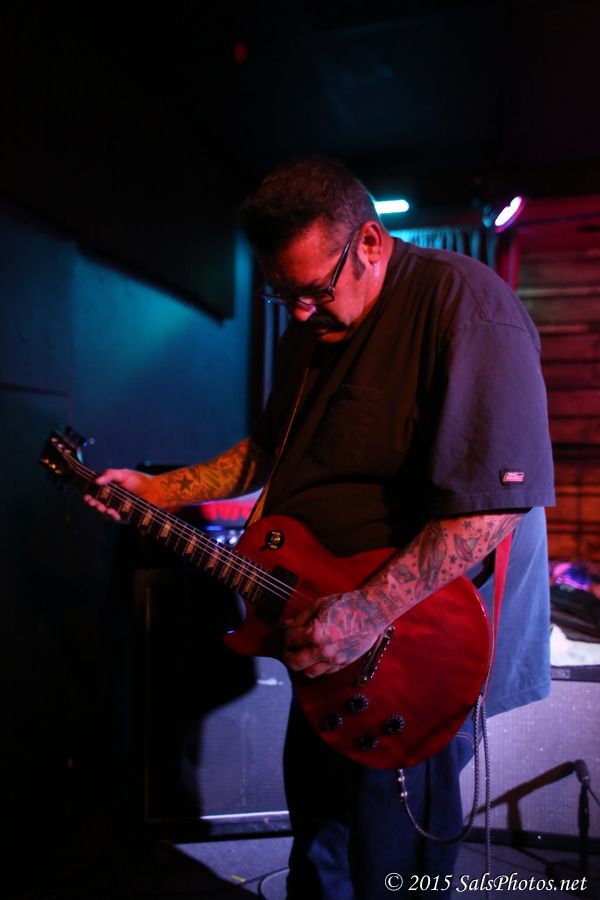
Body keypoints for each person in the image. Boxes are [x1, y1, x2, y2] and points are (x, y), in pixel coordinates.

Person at [85, 157, 555, 898]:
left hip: (413, 644)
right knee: (320, 850)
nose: (301, 314)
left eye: (314, 291)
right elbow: (270, 449)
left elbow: (492, 508)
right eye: (283, 295)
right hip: (321, 625)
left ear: (369, 243)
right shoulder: (312, 331)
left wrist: (365, 612)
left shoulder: (464, 305)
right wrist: (161, 490)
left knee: (391, 866)